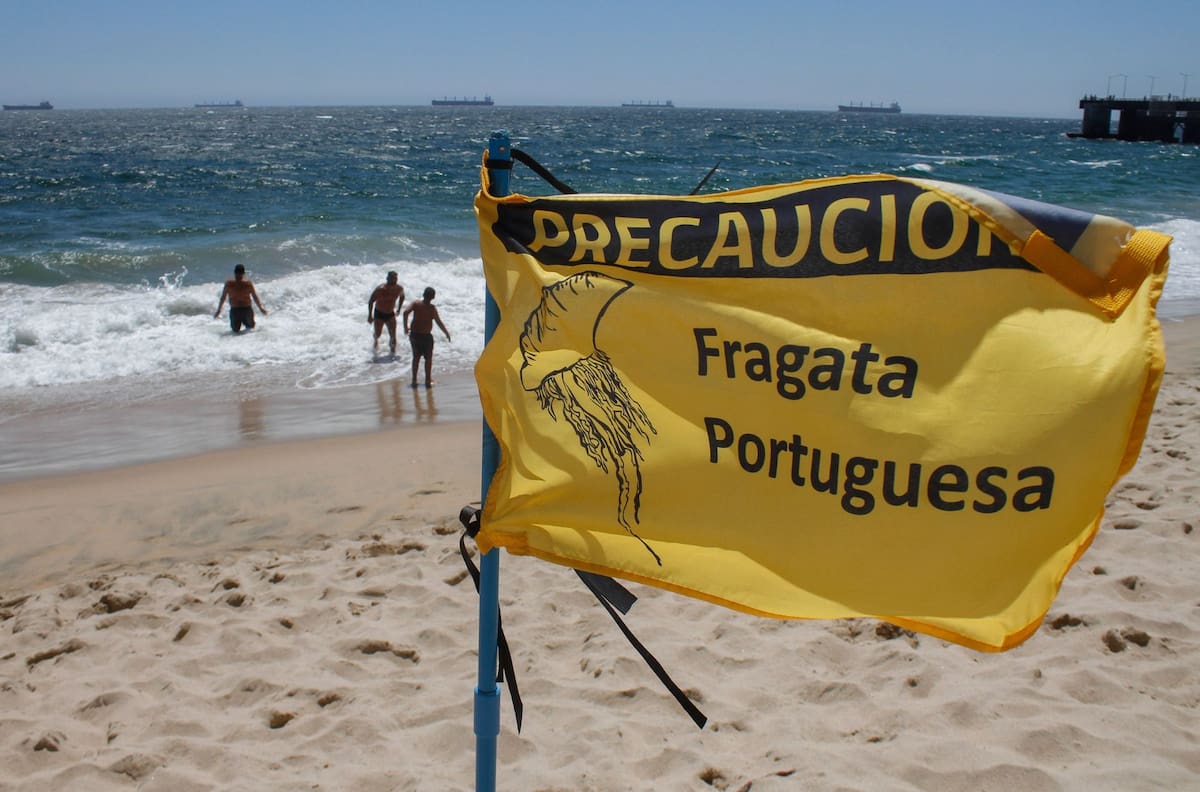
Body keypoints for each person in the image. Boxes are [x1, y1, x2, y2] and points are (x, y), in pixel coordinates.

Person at [403, 287, 451, 387]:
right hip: (425, 336)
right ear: (433, 297)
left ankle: (414, 380)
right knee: (428, 359)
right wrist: (446, 333)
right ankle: (427, 380)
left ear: (424, 294)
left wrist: (405, 328)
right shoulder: (431, 308)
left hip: (415, 335)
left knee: (416, 358)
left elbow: (405, 313)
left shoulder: (416, 304)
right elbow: (438, 322)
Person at [214, 264, 268, 333]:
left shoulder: (229, 284)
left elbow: (223, 297)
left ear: (234, 272)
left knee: (235, 333)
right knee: (250, 331)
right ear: (244, 273)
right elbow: (255, 297)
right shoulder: (248, 284)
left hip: (235, 310)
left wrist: (219, 310)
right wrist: (261, 308)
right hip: (246, 310)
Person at [367, 270, 405, 356]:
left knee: (393, 336)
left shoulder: (399, 289)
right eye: (392, 279)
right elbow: (371, 301)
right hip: (379, 313)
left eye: (395, 279)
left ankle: (392, 355)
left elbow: (402, 296)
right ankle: (375, 343)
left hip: (390, 314)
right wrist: (370, 315)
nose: (394, 281)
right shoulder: (380, 289)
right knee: (378, 334)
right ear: (387, 279)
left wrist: (399, 309)